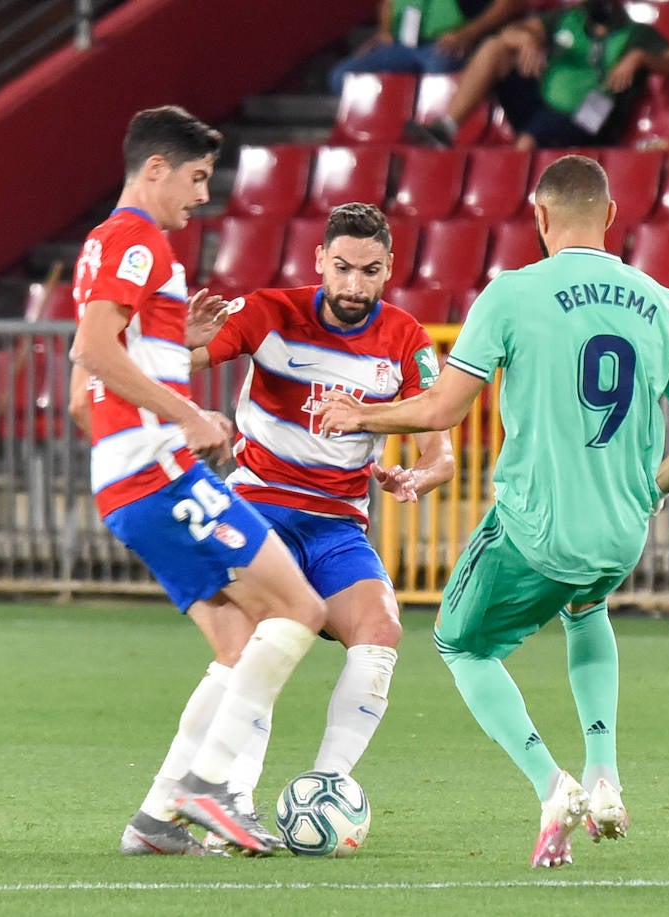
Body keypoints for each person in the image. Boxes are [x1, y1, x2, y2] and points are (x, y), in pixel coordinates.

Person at [317, 154, 669, 868]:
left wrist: (362, 413)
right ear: (611, 217)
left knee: (459, 642)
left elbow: (444, 406)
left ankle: (551, 782)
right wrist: (648, 494)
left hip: (537, 528)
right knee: (585, 609)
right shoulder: (663, 301)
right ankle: (605, 774)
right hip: (619, 533)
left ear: (539, 218)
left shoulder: (510, 294)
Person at [66, 104, 327, 857]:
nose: (202, 196)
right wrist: (189, 413)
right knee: (299, 606)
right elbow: (94, 348)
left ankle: (154, 820)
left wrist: (174, 344)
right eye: (196, 177)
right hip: (158, 474)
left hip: (130, 481)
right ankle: (207, 787)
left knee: (237, 637)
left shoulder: (103, 246)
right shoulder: (136, 239)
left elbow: (89, 380)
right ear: (155, 169)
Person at [185, 202, 455, 848]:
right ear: (319, 263)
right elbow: (192, 360)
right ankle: (233, 800)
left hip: (336, 526)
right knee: (262, 640)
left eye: (369, 271)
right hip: (258, 509)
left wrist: (416, 477)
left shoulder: (407, 340)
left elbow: (439, 448)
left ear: (390, 268)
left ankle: (326, 786)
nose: (354, 286)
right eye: (342, 268)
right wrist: (179, 336)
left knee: (381, 627)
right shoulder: (269, 313)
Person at [405, 0, 669, 150]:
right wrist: (526, 40)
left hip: (587, 118)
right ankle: (447, 128)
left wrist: (640, 57)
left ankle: (519, 203)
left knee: (531, 140)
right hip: (542, 102)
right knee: (496, 46)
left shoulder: (636, 34)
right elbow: (514, 32)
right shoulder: (567, 19)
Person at [329, 0, 527, 95]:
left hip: (446, 44)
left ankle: (430, 133)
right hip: (400, 45)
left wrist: (468, 33)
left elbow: (511, 5)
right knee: (342, 76)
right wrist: (384, 30)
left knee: (438, 72)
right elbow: (388, 3)